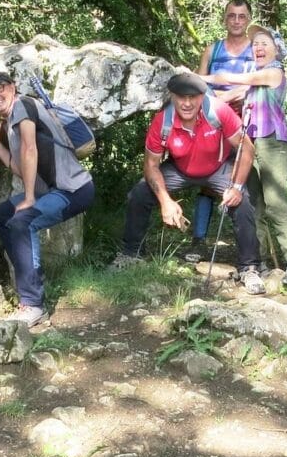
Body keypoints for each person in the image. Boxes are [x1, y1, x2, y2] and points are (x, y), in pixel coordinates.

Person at [113, 72, 264, 293]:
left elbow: (247, 150)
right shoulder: (162, 121)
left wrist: (237, 187)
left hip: (218, 166)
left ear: (202, 96)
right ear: (172, 96)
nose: (186, 103)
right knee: (140, 193)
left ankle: (249, 267)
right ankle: (130, 254)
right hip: (180, 168)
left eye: (193, 97)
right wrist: (165, 201)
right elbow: (151, 165)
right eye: (181, 97)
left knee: (242, 203)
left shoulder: (219, 111)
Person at [0, 71, 95, 326]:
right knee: (0, 216)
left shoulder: (22, 105)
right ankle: (28, 279)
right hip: (52, 191)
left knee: (22, 222)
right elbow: (21, 166)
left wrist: (29, 197)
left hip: (73, 190)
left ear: (13, 86)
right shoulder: (11, 120)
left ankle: (33, 304)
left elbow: (30, 149)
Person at [201, 25, 287, 286]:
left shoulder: (274, 72)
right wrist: (197, 96)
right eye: (255, 44)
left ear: (276, 49)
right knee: (253, 204)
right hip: (249, 143)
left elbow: (236, 82)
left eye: (264, 43)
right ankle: (256, 261)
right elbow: (226, 96)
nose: (258, 48)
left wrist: (204, 78)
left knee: (275, 201)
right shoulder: (255, 75)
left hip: (272, 141)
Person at [185, 0, 256, 260]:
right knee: (206, 180)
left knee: (242, 182)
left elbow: (259, 84)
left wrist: (232, 95)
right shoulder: (212, 50)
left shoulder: (255, 50)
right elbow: (197, 84)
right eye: (232, 16)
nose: (237, 21)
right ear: (224, 19)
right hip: (212, 123)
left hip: (246, 123)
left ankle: (246, 248)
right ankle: (199, 241)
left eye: (242, 16)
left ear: (248, 19)